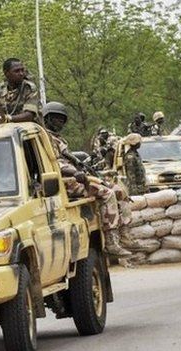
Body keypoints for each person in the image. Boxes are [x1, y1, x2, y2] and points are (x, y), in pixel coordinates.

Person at [43, 101, 131, 256]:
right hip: (64, 182)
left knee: (118, 190)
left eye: (62, 119)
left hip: (75, 177)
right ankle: (111, 241)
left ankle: (124, 234)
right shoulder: (45, 139)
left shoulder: (59, 139)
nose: (60, 122)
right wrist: (75, 173)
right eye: (56, 119)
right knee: (107, 194)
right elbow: (56, 164)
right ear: (47, 118)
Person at [0, 58, 40, 125]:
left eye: (22, 70)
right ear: (6, 73)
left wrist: (7, 119)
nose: (21, 73)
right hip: (2, 130)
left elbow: (29, 115)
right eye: (16, 71)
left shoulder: (29, 88)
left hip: (28, 130)